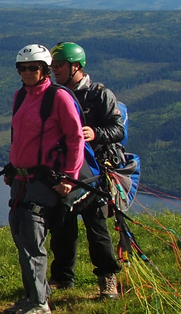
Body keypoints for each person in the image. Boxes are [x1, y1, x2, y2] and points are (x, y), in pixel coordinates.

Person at [3, 44, 85, 314]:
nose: (27, 72)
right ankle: (33, 295)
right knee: (19, 233)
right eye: (23, 68)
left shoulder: (58, 97)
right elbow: (20, 137)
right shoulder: (20, 96)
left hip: (45, 179)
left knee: (31, 236)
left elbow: (75, 138)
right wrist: (13, 168)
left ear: (45, 69)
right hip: (21, 178)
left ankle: (39, 303)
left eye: (33, 67)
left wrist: (70, 179)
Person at [46, 42, 124, 300]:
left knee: (96, 227)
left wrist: (96, 133)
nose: (54, 70)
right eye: (53, 66)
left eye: (59, 65)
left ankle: (107, 279)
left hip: (94, 173)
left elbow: (118, 130)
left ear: (75, 66)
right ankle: (61, 278)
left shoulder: (99, 94)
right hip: (65, 171)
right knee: (62, 226)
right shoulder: (55, 94)